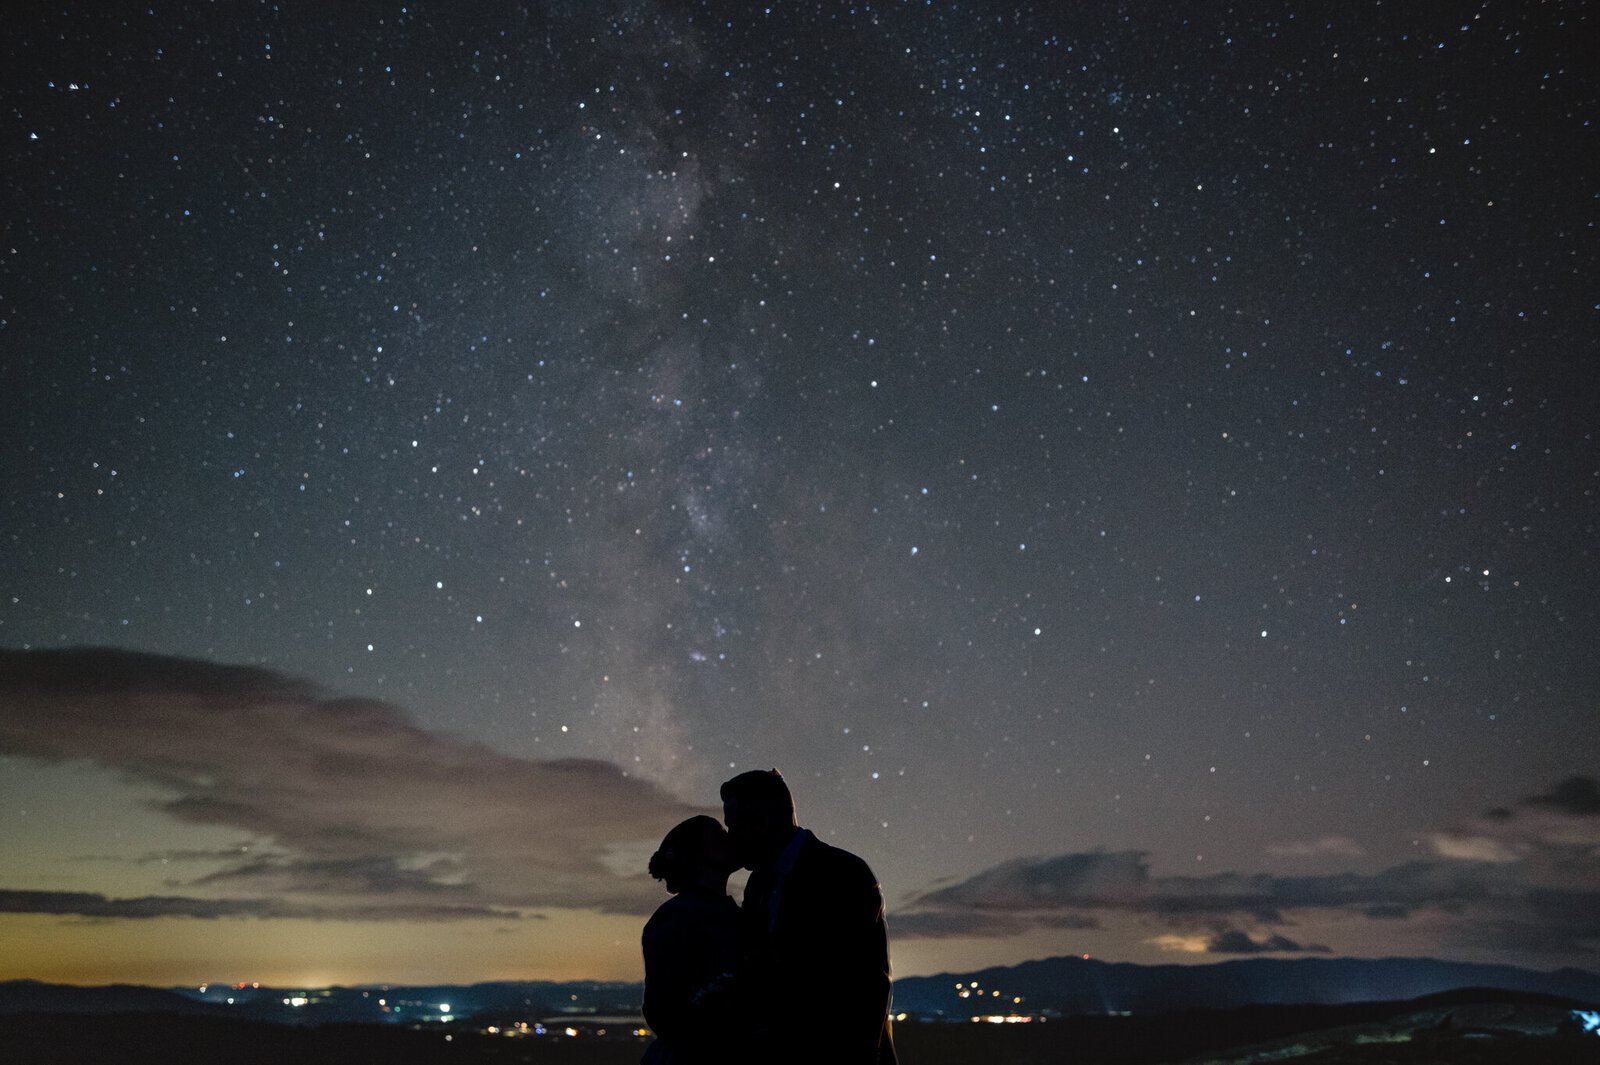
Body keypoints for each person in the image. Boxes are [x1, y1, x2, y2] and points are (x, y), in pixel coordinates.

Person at [721, 768, 896, 1065]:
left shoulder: (842, 872)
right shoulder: (759, 882)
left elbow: (865, 985)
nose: (732, 838)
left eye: (736, 825)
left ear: (767, 820)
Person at [640, 814, 742, 1065]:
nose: (730, 839)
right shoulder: (676, 918)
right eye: (718, 835)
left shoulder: (728, 911)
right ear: (697, 855)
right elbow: (662, 1009)